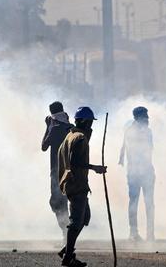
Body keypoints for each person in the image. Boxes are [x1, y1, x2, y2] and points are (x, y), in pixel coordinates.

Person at [57, 107, 107, 267]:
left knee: (85, 218)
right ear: (85, 122)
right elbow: (75, 163)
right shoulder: (79, 138)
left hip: (74, 183)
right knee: (76, 222)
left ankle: (66, 249)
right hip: (76, 184)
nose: (91, 126)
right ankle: (68, 257)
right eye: (90, 122)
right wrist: (95, 168)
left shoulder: (71, 135)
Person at [119, 106, 155, 242]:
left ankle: (150, 234)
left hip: (147, 172)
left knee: (149, 203)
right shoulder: (131, 132)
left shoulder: (147, 131)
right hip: (134, 173)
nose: (147, 118)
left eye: (147, 115)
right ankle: (133, 233)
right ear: (137, 118)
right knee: (134, 202)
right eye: (144, 116)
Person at [41, 101, 73, 242]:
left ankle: (66, 233)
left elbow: (43, 146)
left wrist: (48, 127)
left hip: (57, 172)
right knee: (66, 200)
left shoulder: (54, 129)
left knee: (56, 202)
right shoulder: (71, 127)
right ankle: (68, 234)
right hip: (71, 170)